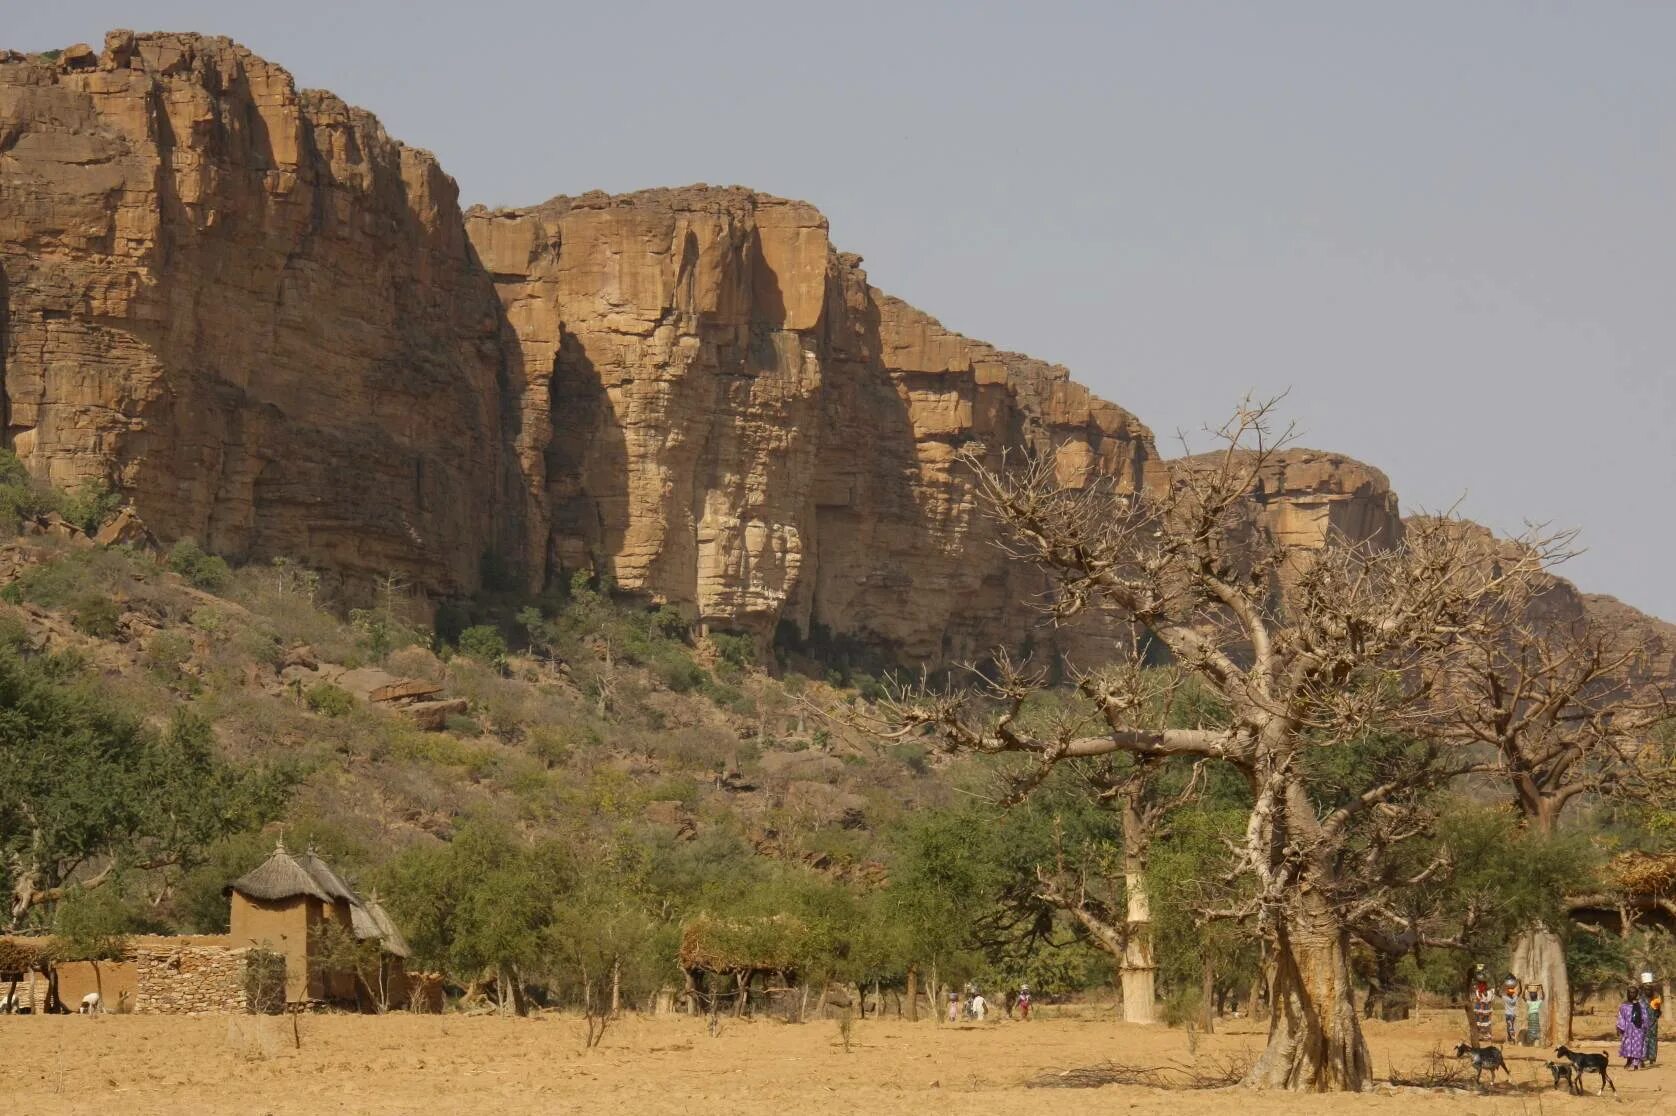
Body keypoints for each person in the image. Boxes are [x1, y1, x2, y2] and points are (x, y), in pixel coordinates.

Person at [1618, 987, 1650, 1069]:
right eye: (1629, 992)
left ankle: (1637, 1063)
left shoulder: (1641, 1005)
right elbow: (1621, 1017)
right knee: (1628, 1045)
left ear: (1636, 994)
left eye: (1633, 992)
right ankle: (1629, 1061)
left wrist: (1645, 1027)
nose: (1631, 994)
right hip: (1628, 1030)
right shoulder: (1624, 1006)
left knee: (1638, 1046)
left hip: (1639, 1029)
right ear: (1627, 993)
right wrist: (1620, 1029)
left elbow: (1645, 1017)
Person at [1471, 973, 1495, 1043]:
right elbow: (1482, 1000)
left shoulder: (1489, 991)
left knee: (1483, 1022)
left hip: (1484, 1007)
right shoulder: (1487, 991)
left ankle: (1485, 1035)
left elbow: (1485, 1001)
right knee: (1482, 1022)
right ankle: (1483, 1035)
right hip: (1482, 1007)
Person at [1502, 978, 1521, 1043]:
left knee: (1509, 1026)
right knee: (1510, 1026)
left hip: (1507, 1014)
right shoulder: (1514, 999)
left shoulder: (1505, 998)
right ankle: (1510, 1038)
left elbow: (1499, 992)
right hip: (1513, 1014)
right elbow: (1520, 992)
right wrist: (1519, 983)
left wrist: (1503, 985)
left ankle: (1512, 1038)